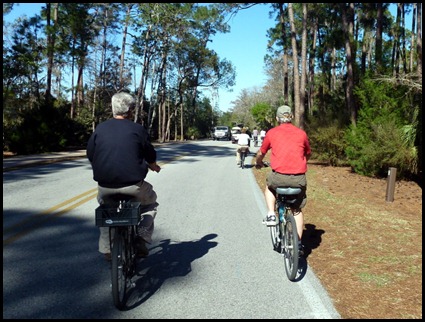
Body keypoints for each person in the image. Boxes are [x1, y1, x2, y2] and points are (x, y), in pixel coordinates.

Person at [86, 91, 161, 261]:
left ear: (113, 109)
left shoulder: (100, 128)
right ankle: (141, 238)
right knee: (150, 206)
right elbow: (149, 154)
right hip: (133, 185)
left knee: (107, 212)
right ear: (130, 110)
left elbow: (91, 153)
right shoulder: (137, 129)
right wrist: (153, 166)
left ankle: (106, 249)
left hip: (105, 186)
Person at [255, 105, 311, 254]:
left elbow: (261, 152)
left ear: (277, 118)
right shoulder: (301, 133)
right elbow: (307, 153)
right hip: (298, 179)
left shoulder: (272, 133)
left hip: (278, 177)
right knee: (296, 210)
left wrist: (258, 162)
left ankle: (271, 214)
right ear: (291, 117)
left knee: (269, 186)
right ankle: (298, 244)